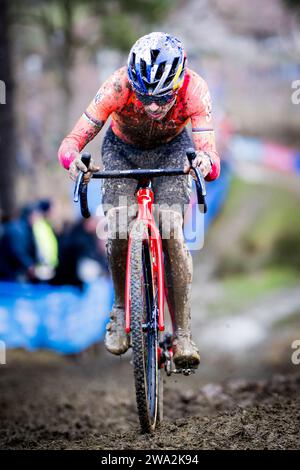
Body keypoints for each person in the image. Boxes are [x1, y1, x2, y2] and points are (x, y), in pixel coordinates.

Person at [58, 32, 220, 368]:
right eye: (145, 97)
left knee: (171, 226)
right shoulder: (117, 85)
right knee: (117, 223)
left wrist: (205, 161)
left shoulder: (194, 90)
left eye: (162, 98)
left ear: (178, 85)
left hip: (173, 151)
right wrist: (72, 157)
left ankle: (183, 335)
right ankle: (120, 310)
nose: (152, 107)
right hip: (121, 151)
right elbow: (72, 141)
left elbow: (210, 155)